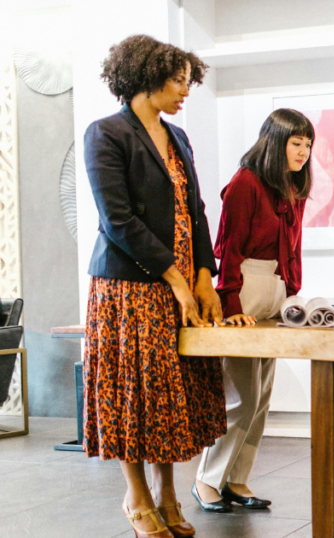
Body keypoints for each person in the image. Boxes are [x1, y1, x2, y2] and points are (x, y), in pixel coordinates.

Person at [83, 35, 228, 538]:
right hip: (129, 288)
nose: (186, 89)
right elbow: (116, 219)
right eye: (179, 79)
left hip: (182, 284)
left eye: (189, 81)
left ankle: (168, 493)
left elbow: (198, 210)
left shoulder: (179, 137)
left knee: (171, 395)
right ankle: (136, 495)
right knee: (133, 394)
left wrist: (205, 276)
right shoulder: (105, 133)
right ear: (148, 75)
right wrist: (175, 278)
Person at [193, 109, 312, 512]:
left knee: (261, 397)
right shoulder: (246, 182)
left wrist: (292, 296)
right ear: (276, 142)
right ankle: (207, 480)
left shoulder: (293, 188)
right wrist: (229, 304)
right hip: (242, 289)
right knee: (240, 395)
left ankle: (237, 479)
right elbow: (228, 247)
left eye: (308, 144)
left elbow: (293, 251)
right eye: (296, 143)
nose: (303, 151)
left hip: (275, 293)